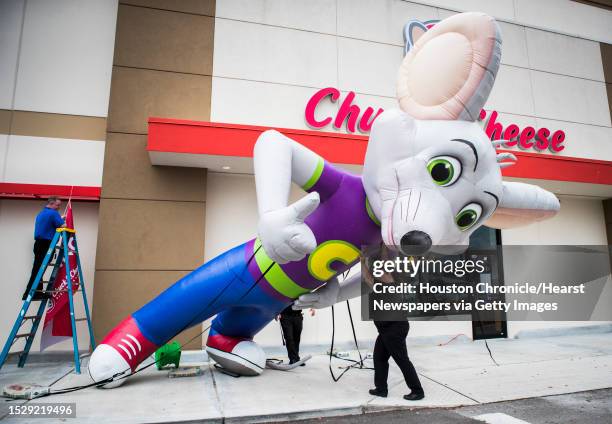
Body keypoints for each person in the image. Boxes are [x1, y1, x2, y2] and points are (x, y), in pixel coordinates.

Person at [363, 245, 425, 401]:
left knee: (402, 360)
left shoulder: (391, 282)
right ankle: (381, 389)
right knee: (379, 358)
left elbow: (384, 263)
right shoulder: (378, 285)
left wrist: (384, 247)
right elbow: (367, 277)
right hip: (386, 330)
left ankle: (417, 391)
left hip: (394, 328)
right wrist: (361, 261)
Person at [23, 196, 65, 301]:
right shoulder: (53, 213)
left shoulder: (41, 213)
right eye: (57, 205)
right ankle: (30, 293)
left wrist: (60, 218)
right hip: (46, 244)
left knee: (37, 269)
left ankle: (35, 293)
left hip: (38, 244)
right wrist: (65, 221)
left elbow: (51, 223)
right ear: (51, 203)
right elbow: (63, 225)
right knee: (39, 269)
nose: (59, 207)